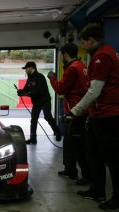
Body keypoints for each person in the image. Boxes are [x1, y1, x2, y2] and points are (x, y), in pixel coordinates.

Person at [68, 23, 119, 211]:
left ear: (92, 40)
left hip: (109, 116)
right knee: (94, 154)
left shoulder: (102, 56)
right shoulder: (105, 53)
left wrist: (74, 111)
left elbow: (94, 91)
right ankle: (97, 190)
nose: (83, 46)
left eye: (84, 42)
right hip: (98, 114)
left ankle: (117, 198)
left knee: (113, 160)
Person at [47, 43, 90, 185]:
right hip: (78, 110)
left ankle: (86, 175)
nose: (60, 58)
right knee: (69, 143)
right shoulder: (81, 66)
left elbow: (60, 89)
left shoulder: (72, 69)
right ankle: (70, 169)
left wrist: (52, 78)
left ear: (65, 54)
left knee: (78, 146)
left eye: (60, 55)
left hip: (76, 112)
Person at [17, 61, 61, 144]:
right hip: (36, 102)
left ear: (31, 68)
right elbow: (26, 89)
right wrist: (21, 91)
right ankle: (33, 139)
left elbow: (38, 91)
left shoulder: (40, 77)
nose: (25, 71)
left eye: (26, 69)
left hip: (45, 100)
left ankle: (57, 131)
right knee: (33, 120)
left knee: (47, 116)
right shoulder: (29, 78)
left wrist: (27, 94)